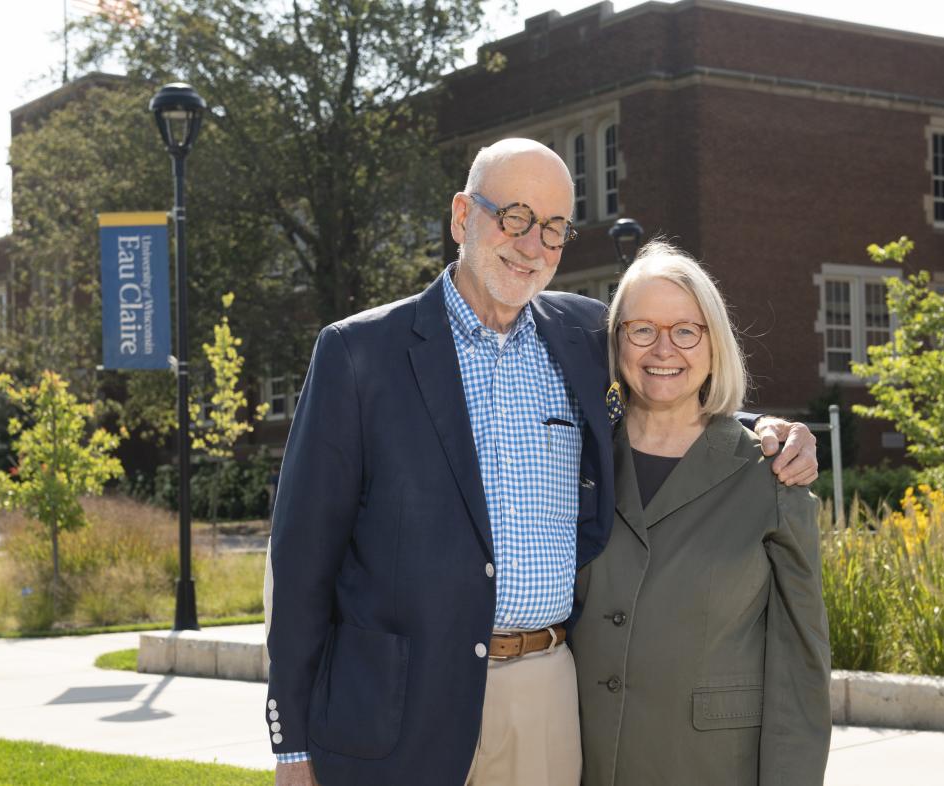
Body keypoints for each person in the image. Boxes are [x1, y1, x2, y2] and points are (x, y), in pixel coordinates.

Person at [264, 138, 818, 786]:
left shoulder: (583, 337)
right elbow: (301, 562)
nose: (533, 245)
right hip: (396, 707)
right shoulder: (359, 355)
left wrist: (762, 429)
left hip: (546, 699)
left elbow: (666, 377)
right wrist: (291, 744)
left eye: (553, 229)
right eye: (515, 218)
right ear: (461, 215)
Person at [571, 242, 831, 786]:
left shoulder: (771, 475)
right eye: (641, 329)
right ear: (617, 343)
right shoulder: (577, 464)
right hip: (578, 759)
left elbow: (799, 664)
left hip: (711, 767)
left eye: (685, 331)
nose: (663, 348)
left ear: (714, 344)